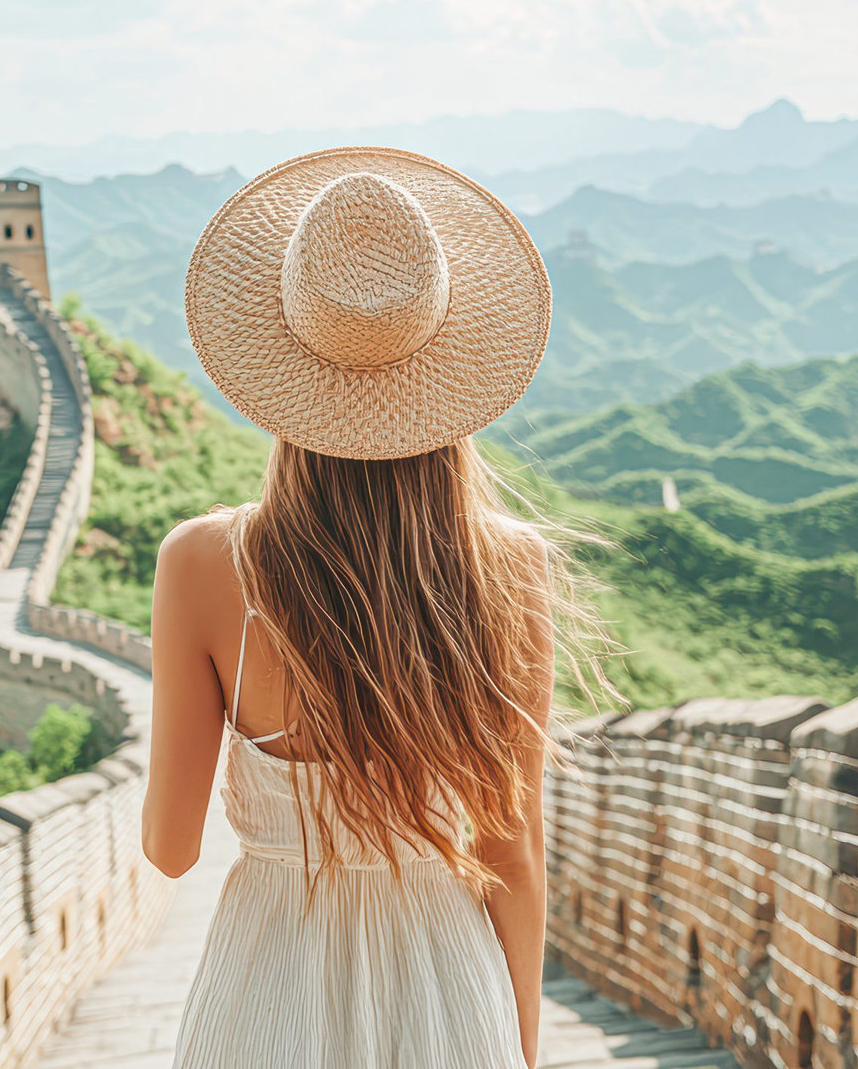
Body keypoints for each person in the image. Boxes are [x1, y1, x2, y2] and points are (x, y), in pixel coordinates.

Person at [142, 147, 608, 1068]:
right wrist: (517, 1047)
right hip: (450, 990)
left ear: (276, 371)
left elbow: (169, 849)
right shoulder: (509, 570)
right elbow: (513, 859)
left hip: (265, 988)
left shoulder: (201, 563)